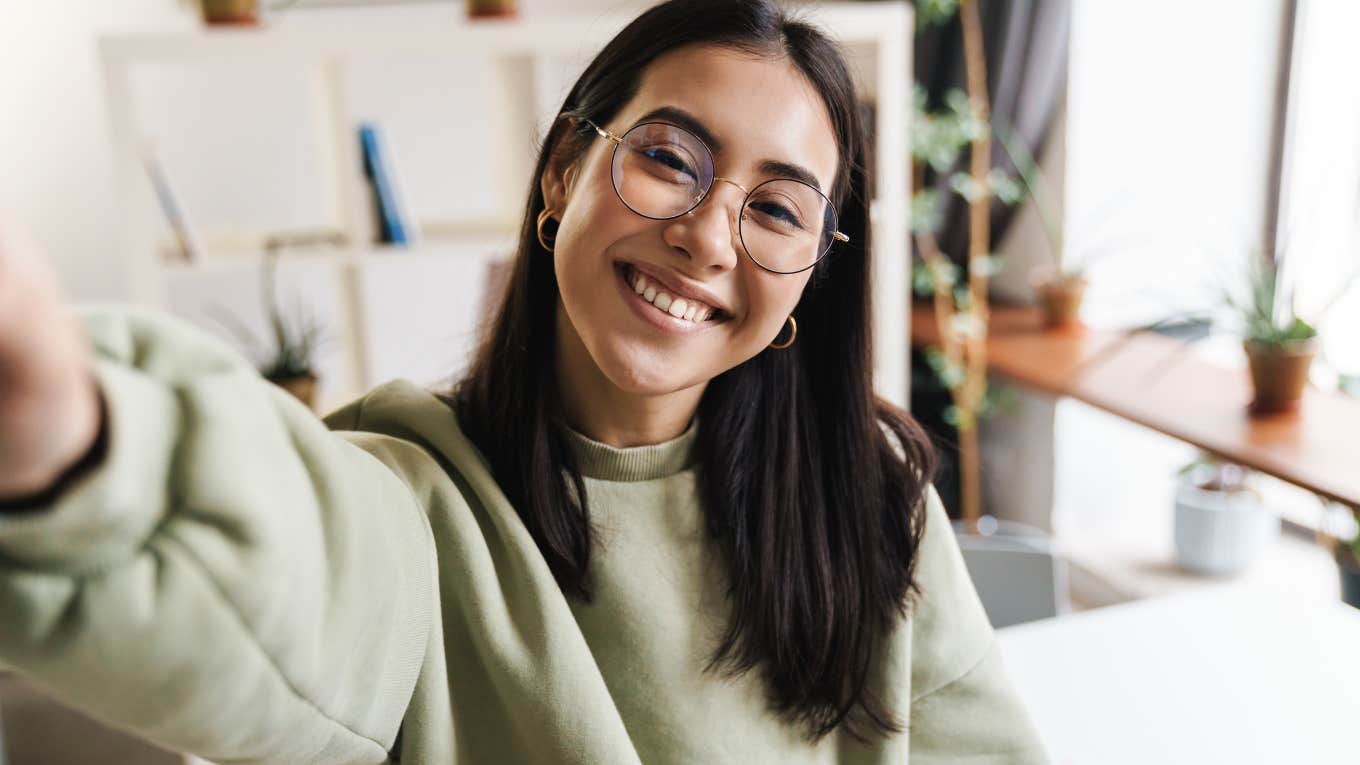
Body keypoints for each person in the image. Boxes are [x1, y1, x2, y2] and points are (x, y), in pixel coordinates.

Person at [0, 0, 1049, 762]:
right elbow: (292, 582)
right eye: (670, 159)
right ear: (563, 174)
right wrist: (74, 435)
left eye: (776, 211)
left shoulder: (867, 491)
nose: (704, 238)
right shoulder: (416, 501)